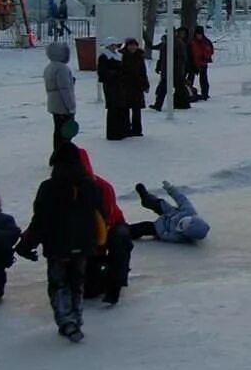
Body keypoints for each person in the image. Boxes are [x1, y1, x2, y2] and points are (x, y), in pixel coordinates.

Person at [15, 143, 103, 342]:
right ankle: (76, 318)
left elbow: (40, 221)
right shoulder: (91, 186)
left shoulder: (49, 188)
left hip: (58, 246)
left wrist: (27, 244)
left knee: (59, 284)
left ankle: (66, 321)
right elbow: (100, 213)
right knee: (77, 283)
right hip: (84, 244)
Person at [76, 148, 131, 306]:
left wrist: (97, 248)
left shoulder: (102, 187)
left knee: (120, 238)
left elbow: (108, 219)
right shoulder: (61, 190)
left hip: (111, 228)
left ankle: (116, 282)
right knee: (88, 291)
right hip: (85, 239)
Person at [130, 182, 210, 243]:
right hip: (169, 212)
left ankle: (127, 231)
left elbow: (165, 236)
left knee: (144, 227)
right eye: (182, 221)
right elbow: (181, 198)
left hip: (162, 226)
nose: (179, 223)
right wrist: (170, 189)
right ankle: (145, 196)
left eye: (181, 227)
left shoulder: (178, 237)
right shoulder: (189, 210)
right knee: (154, 202)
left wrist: (158, 233)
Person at [43, 41, 77, 147]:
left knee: (58, 131)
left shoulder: (49, 67)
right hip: (62, 106)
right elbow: (64, 89)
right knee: (65, 133)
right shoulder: (62, 68)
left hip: (54, 104)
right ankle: (63, 153)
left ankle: (57, 152)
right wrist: (71, 106)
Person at [96, 42, 127, 140]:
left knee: (120, 107)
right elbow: (102, 72)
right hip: (110, 85)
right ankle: (112, 133)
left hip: (119, 85)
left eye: (114, 45)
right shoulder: (103, 57)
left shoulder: (118, 55)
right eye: (111, 45)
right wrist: (115, 73)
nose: (113, 47)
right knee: (113, 108)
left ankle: (121, 131)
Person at [119, 38, 149, 137]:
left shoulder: (139, 56)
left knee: (137, 109)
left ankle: (137, 129)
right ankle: (126, 128)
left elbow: (143, 71)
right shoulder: (122, 56)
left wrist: (145, 84)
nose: (132, 47)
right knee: (125, 108)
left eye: (134, 45)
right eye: (130, 45)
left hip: (137, 86)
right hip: (125, 86)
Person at [189, 25, 214, 100]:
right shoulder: (192, 42)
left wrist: (206, 56)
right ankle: (189, 92)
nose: (199, 36)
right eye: (197, 34)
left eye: (200, 34)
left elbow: (210, 51)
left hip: (203, 63)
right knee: (191, 78)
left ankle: (205, 94)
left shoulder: (206, 42)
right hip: (193, 63)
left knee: (203, 79)